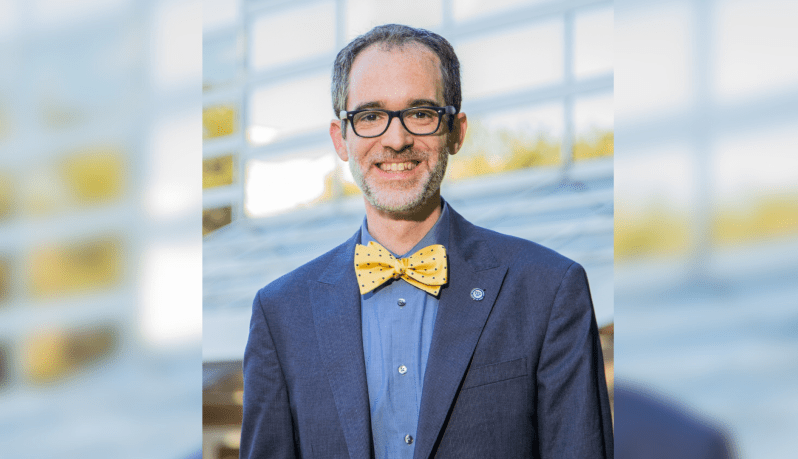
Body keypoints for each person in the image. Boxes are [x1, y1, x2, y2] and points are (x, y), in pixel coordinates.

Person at [240, 24, 613, 459]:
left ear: (456, 131)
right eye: (370, 116)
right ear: (341, 139)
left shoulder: (548, 290)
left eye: (420, 113)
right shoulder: (281, 313)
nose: (396, 140)